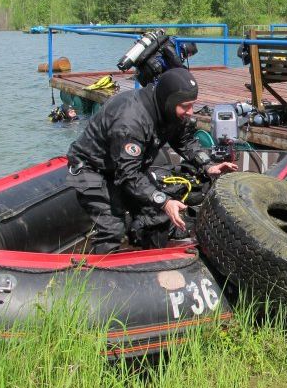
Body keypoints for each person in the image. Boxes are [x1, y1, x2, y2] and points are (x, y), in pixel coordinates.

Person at [66, 68, 238, 254]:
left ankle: (151, 258)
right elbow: (128, 175)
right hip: (92, 168)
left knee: (157, 215)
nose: (191, 112)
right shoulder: (130, 121)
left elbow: (184, 140)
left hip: (127, 166)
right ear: (169, 101)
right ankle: (104, 276)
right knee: (112, 227)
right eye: (186, 106)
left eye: (192, 105)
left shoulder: (171, 111)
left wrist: (208, 166)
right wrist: (164, 201)